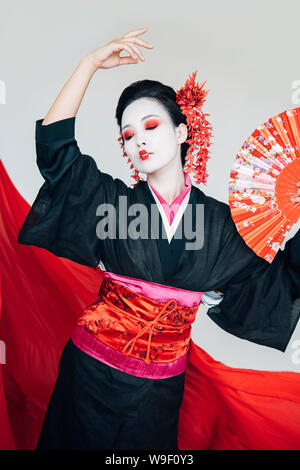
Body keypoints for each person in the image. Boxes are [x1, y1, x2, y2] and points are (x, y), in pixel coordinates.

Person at [17, 27, 300, 450]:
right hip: (89, 375)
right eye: (128, 135)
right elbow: (56, 153)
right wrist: (89, 64)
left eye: (150, 125)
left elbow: (282, 280)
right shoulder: (110, 203)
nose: (139, 140)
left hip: (160, 391)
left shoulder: (224, 225)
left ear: (183, 133)